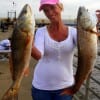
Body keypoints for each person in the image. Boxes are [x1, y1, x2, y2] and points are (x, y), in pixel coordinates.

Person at [31, 0, 77, 100]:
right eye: (46, 10)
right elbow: (38, 55)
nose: (50, 13)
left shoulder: (74, 32)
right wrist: (27, 43)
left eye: (52, 8)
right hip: (41, 87)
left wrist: (94, 25)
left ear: (60, 7)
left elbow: (88, 46)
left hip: (65, 87)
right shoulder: (40, 31)